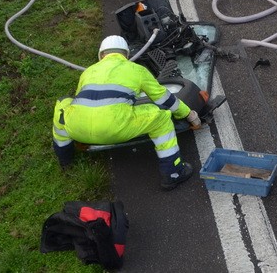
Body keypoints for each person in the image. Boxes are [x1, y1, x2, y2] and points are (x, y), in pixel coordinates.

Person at [51, 35, 200, 190]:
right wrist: (189, 114)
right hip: (114, 128)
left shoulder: (88, 72)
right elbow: (165, 99)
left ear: (101, 55)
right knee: (160, 117)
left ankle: (65, 158)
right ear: (126, 55)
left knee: (63, 105)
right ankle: (173, 173)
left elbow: (80, 103)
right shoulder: (137, 70)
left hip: (77, 129)